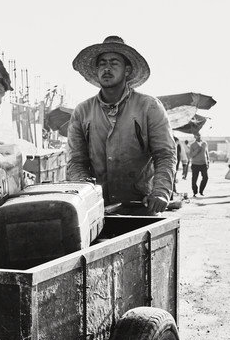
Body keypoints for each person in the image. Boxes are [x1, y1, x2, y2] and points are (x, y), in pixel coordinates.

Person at [66, 36, 176, 213]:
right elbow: (76, 161)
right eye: (102, 63)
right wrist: (87, 195)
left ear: (127, 70)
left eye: (114, 63)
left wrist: (161, 191)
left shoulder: (149, 107)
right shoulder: (82, 111)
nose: (107, 68)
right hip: (97, 210)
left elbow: (165, 154)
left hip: (142, 206)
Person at [189, 132, 209, 197]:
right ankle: (195, 192)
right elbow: (191, 155)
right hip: (195, 164)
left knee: (205, 178)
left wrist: (208, 162)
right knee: (194, 179)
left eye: (199, 135)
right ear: (194, 136)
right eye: (197, 135)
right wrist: (198, 149)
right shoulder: (192, 145)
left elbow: (206, 153)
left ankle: (201, 191)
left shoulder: (204, 143)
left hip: (203, 164)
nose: (198, 136)